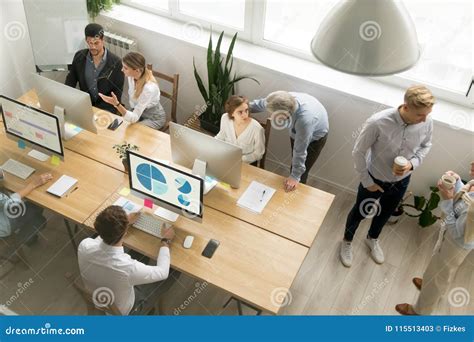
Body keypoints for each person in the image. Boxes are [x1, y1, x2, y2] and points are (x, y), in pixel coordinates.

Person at [340, 85, 435, 268]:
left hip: (401, 181)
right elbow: (358, 152)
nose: (425, 119)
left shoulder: (427, 120)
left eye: (428, 114)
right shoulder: (378, 122)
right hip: (374, 179)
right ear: (405, 107)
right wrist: (367, 182)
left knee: (385, 213)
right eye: (420, 115)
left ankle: (372, 238)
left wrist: (412, 164)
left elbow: (426, 145)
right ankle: (347, 241)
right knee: (359, 212)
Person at [396, 163, 474, 315]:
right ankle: (430, 284)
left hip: (456, 244)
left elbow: (458, 233)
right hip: (450, 235)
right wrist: (457, 182)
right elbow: (464, 203)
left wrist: (446, 200)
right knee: (438, 267)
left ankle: (420, 311)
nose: (472, 163)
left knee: (440, 274)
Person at [77, 205, 175, 315]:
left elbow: (105, 234)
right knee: (173, 272)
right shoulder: (127, 268)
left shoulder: (84, 245)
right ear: (124, 232)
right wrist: (165, 240)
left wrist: (123, 224)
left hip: (100, 299)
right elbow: (162, 272)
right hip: (128, 311)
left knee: (139, 251)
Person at [249, 91, 329, 191]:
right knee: (295, 160)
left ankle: (296, 199)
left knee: (300, 174)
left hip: (315, 138)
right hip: (299, 129)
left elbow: (300, 151)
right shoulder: (280, 99)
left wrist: (295, 177)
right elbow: (263, 103)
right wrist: (244, 108)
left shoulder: (305, 121)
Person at [65, 23, 124, 114]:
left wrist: (106, 112)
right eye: (90, 43)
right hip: (85, 106)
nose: (93, 47)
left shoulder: (116, 63)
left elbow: (117, 93)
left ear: (102, 40)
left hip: (106, 109)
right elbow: (70, 81)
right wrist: (65, 100)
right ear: (86, 40)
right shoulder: (79, 56)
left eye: (96, 43)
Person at [99, 52, 166, 130]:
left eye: (125, 68)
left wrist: (117, 104)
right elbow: (135, 110)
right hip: (137, 111)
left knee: (134, 132)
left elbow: (134, 117)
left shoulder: (148, 89)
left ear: (137, 70)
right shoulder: (131, 76)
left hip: (153, 117)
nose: (122, 70)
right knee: (119, 128)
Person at [0, 170, 53, 246]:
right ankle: (20, 240)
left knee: (35, 205)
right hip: (4, 224)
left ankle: (27, 236)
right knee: (38, 215)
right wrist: (33, 184)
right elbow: (9, 203)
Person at [215, 95, 265, 165]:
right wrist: (211, 146)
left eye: (246, 110)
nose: (245, 115)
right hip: (226, 159)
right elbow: (221, 136)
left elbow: (258, 153)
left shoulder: (257, 128)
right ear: (232, 113)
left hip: (245, 164)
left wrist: (239, 160)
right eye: (240, 112)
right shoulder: (225, 118)